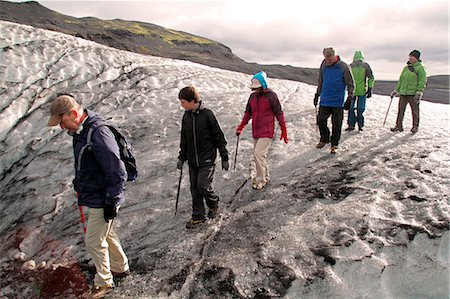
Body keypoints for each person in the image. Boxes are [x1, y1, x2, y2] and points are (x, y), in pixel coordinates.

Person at [47, 95, 129, 298]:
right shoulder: (82, 132)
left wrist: (111, 201)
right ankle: (120, 267)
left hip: (103, 197)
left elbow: (116, 171)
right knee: (106, 234)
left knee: (93, 240)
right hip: (96, 194)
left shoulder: (97, 133)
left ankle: (103, 283)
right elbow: (89, 164)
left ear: (73, 114)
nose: (62, 127)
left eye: (62, 122)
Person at [177, 86, 229, 229]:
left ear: (192, 100)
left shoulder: (207, 115)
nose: (181, 105)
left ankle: (213, 203)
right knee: (194, 188)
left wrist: (224, 156)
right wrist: (182, 157)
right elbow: (184, 139)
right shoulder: (186, 116)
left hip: (207, 158)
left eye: (183, 102)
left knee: (203, 186)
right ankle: (198, 216)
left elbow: (219, 136)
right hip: (193, 160)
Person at [236, 71, 288, 190]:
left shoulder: (272, 96)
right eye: (254, 88)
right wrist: (240, 127)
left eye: (258, 88)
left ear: (263, 85)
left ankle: (261, 180)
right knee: (260, 156)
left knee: (258, 154)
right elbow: (248, 113)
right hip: (256, 130)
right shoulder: (252, 97)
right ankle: (265, 175)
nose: (256, 90)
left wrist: (283, 130)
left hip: (267, 130)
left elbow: (279, 113)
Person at [313, 47, 355, 154]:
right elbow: (321, 81)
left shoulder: (343, 67)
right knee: (321, 120)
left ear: (335, 56)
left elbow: (350, 83)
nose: (328, 61)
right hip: (325, 99)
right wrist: (317, 94)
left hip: (337, 101)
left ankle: (334, 144)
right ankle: (324, 139)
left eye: (330, 58)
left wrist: (350, 97)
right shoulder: (324, 65)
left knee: (336, 124)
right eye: (326, 58)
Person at [390, 50, 427, 134]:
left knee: (415, 111)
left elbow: (422, 80)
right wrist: (396, 90)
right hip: (403, 93)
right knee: (400, 110)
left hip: (413, 93)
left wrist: (419, 92)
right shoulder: (406, 68)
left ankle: (415, 126)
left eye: (412, 56)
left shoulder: (420, 68)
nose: (410, 58)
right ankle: (398, 126)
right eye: (409, 56)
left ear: (417, 58)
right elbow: (401, 80)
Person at [346, 50, 374, 132]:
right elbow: (347, 78)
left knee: (360, 109)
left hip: (362, 91)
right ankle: (351, 125)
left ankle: (360, 125)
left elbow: (371, 77)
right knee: (351, 108)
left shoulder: (365, 66)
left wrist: (369, 88)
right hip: (353, 91)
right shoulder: (350, 66)